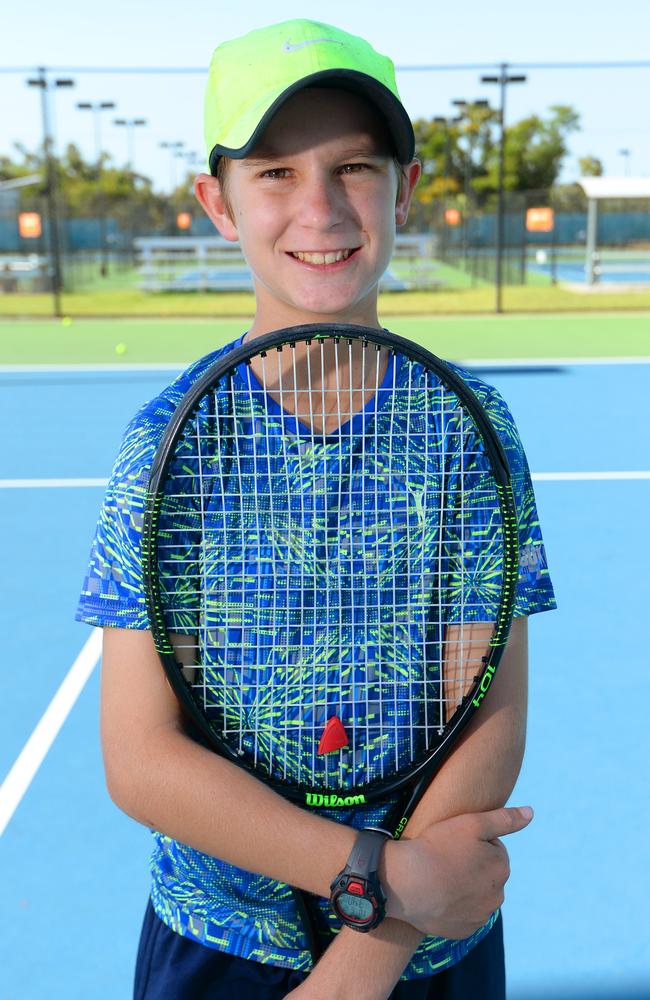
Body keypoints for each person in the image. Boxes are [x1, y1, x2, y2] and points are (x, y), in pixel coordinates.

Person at [76, 19, 556, 1000]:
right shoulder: (170, 444)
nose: (321, 208)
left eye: (354, 167)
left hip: (429, 947)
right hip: (220, 943)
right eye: (274, 174)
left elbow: (487, 715)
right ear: (216, 201)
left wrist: (362, 960)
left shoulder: (469, 428)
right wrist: (375, 875)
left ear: (405, 186)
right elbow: (140, 757)